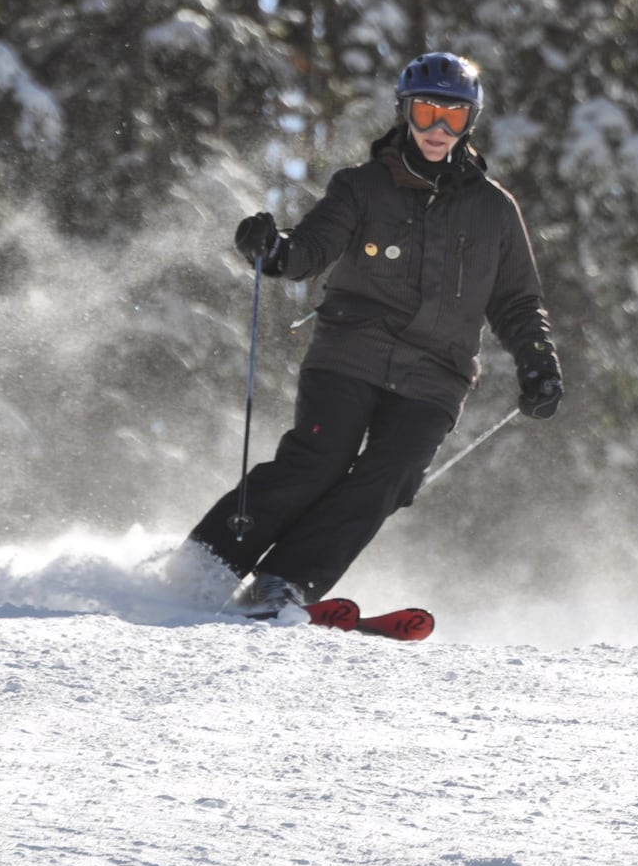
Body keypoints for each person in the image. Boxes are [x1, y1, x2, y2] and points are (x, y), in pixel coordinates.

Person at [183, 51, 562, 615]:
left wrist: (537, 359)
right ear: (403, 112)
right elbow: (310, 248)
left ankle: (285, 580)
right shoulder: (361, 187)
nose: (437, 129)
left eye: (453, 117)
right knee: (321, 458)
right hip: (350, 353)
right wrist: (275, 252)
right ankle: (205, 566)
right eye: (426, 112)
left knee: (391, 476)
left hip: (437, 374)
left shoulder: (494, 211)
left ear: (470, 123)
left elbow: (518, 301)